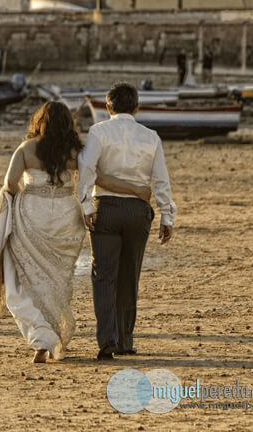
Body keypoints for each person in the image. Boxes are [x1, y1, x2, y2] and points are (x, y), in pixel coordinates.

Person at [0, 101, 150, 362]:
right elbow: (99, 179)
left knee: (20, 282)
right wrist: (136, 190)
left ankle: (42, 337)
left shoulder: (26, 148)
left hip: (32, 215)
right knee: (54, 283)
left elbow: (10, 184)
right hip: (65, 219)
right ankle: (49, 334)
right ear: (67, 124)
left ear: (39, 122)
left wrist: (23, 197)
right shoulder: (74, 152)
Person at [77, 82, 177, 361]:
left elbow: (86, 169)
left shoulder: (98, 131)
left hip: (105, 209)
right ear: (137, 107)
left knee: (104, 276)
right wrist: (167, 215)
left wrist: (85, 206)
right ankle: (125, 340)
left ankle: (107, 341)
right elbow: (161, 180)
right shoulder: (151, 136)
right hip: (137, 212)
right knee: (129, 277)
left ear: (108, 107)